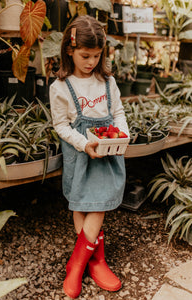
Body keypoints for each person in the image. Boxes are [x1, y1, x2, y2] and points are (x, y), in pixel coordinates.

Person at [49, 15, 130, 299]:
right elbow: (60, 126)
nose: (91, 62)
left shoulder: (107, 82)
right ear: (69, 50)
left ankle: (77, 263)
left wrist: (122, 134)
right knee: (81, 202)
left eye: (97, 56)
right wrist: (84, 144)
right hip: (81, 154)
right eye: (85, 56)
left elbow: (118, 112)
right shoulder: (61, 87)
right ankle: (96, 261)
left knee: (100, 201)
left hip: (108, 153)